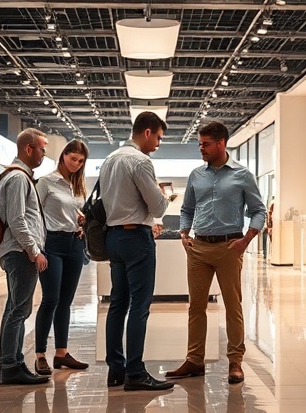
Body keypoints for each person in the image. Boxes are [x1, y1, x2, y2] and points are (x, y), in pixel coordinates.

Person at [165, 121, 266, 385]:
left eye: (206, 144)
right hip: (198, 248)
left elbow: (259, 210)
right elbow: (187, 209)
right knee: (196, 307)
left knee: (233, 306)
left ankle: (235, 361)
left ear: (221, 143)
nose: (201, 149)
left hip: (229, 247)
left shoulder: (242, 175)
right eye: (200, 144)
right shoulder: (196, 175)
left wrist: (246, 240)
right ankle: (194, 360)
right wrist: (184, 233)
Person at [100, 112, 174, 391]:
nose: (158, 144)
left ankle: (116, 370)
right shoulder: (140, 161)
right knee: (139, 306)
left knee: (117, 304)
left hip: (113, 237)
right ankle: (135, 372)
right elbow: (158, 207)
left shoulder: (110, 159)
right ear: (147, 132)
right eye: (158, 138)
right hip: (136, 238)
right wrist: (164, 195)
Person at [0, 128, 50, 386]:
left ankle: (12, 363)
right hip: (20, 253)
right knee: (19, 310)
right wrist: (34, 251)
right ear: (29, 149)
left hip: (17, 252)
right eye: (42, 149)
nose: (43, 154)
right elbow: (17, 220)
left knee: (16, 308)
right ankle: (10, 366)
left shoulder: (17, 176)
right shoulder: (18, 178)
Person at [33, 139, 90, 375]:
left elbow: (73, 211)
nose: (76, 164)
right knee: (51, 299)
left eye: (81, 161)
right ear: (64, 155)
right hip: (51, 244)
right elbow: (33, 214)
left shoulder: (77, 185)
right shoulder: (46, 182)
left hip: (74, 243)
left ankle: (61, 353)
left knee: (66, 301)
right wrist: (36, 248)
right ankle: (40, 355)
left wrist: (81, 221)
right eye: (73, 158)